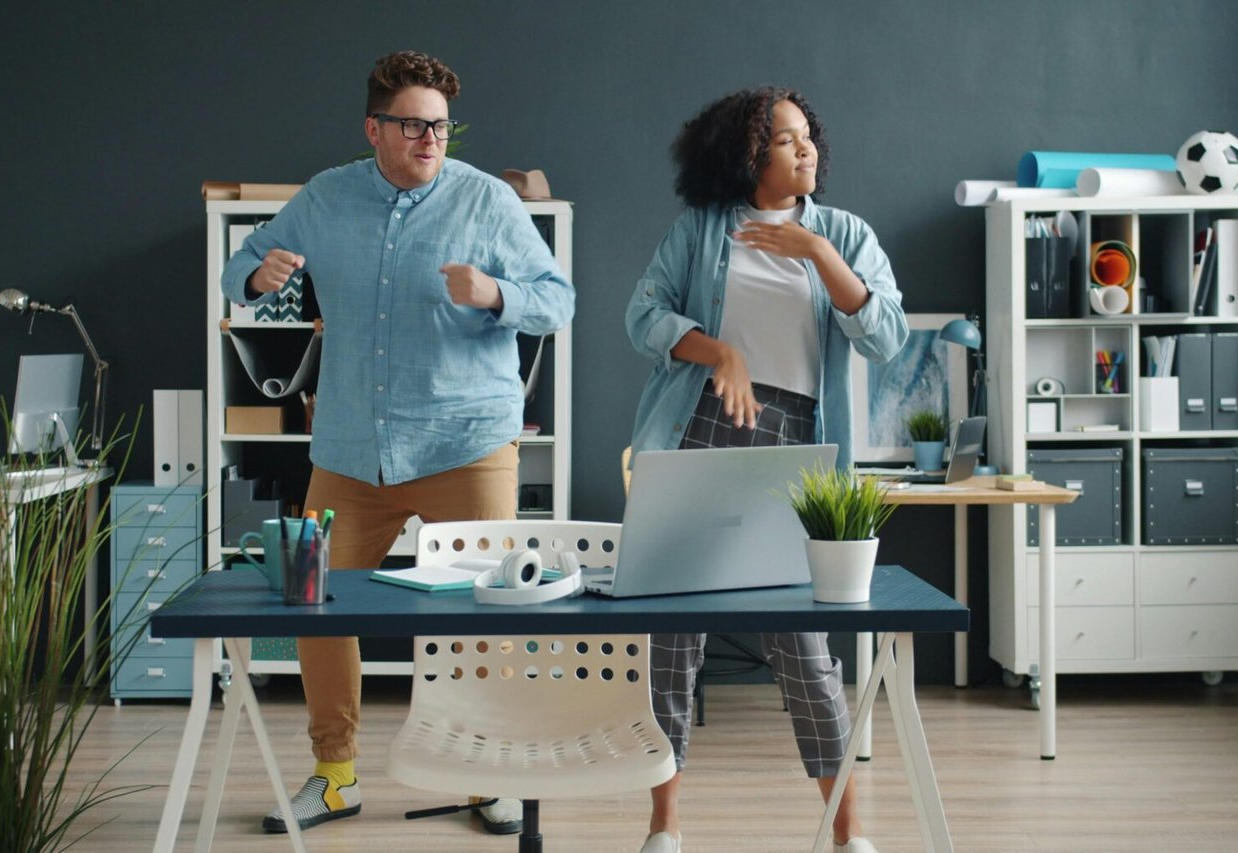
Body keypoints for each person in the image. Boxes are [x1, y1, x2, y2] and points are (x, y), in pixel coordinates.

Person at [221, 50, 574, 836]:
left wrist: (497, 294)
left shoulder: (486, 202)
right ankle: (336, 775)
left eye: (442, 126)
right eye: (415, 125)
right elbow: (240, 267)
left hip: (466, 441)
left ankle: (488, 775)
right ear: (374, 128)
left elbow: (558, 300)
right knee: (312, 606)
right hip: (350, 448)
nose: (431, 139)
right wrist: (255, 277)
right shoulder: (324, 196)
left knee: (486, 613)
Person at [624, 87, 908, 853]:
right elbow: (642, 315)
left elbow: (885, 334)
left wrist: (821, 255)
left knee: (807, 651)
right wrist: (720, 351)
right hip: (700, 429)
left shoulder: (843, 232)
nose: (804, 147)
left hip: (797, 445)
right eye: (785, 139)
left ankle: (848, 835)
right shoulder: (702, 230)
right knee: (670, 645)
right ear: (749, 153)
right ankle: (664, 827)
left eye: (807, 134)